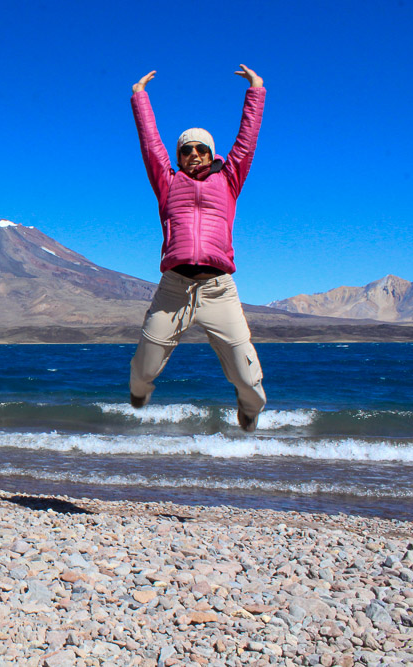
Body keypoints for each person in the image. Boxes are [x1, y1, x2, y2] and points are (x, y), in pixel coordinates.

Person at [128, 65, 266, 431]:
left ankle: (249, 408)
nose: (193, 153)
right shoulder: (167, 183)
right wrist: (139, 96)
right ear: (179, 156)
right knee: (141, 371)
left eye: (200, 149)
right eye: (186, 149)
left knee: (247, 374)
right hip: (174, 288)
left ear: (211, 153)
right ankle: (140, 393)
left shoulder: (229, 180)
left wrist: (256, 90)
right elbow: (150, 144)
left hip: (218, 289)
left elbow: (247, 141)